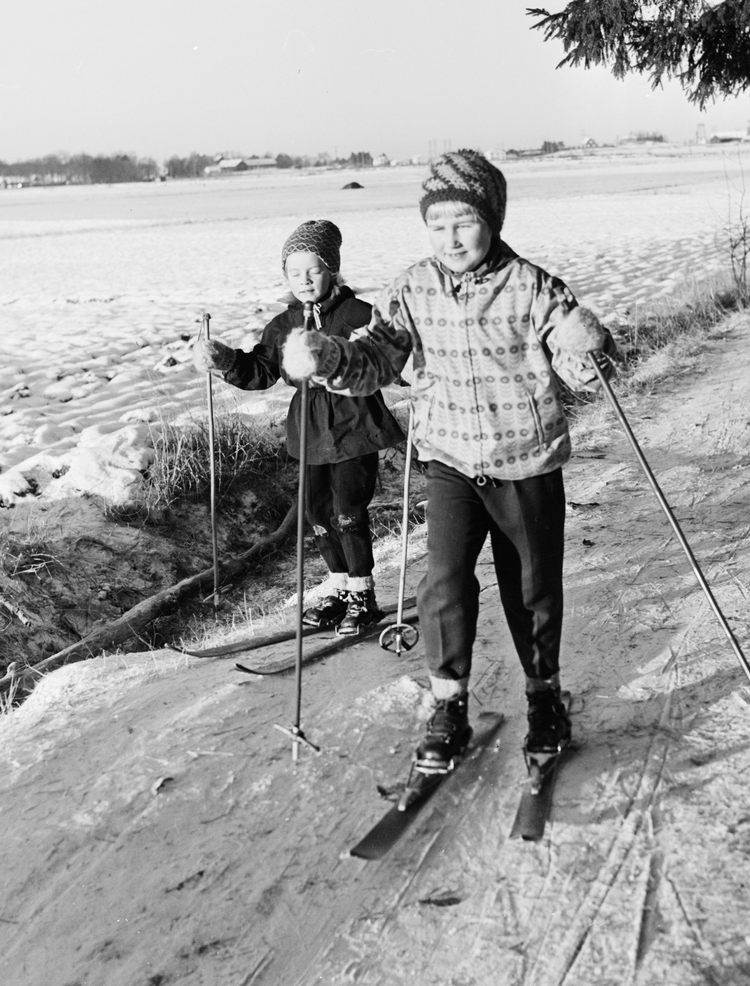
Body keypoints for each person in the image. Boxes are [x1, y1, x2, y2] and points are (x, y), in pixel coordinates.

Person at [280, 151, 617, 770]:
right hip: (451, 462)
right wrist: (325, 359)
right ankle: (449, 706)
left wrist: (585, 347)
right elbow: (377, 358)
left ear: (492, 217)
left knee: (533, 589)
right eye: (438, 226)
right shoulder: (412, 288)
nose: (451, 238)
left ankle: (544, 698)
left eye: (463, 222)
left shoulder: (535, 287)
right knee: (443, 587)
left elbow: (586, 375)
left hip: (527, 462)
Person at [192, 219, 404, 634]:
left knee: (348, 510)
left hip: (354, 421)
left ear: (333, 270)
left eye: (314, 270)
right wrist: (225, 360)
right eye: (294, 272)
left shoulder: (360, 314)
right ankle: (340, 587)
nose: (304, 280)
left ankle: (363, 596)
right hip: (308, 426)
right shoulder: (284, 324)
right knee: (316, 511)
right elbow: (262, 370)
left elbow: (387, 361)